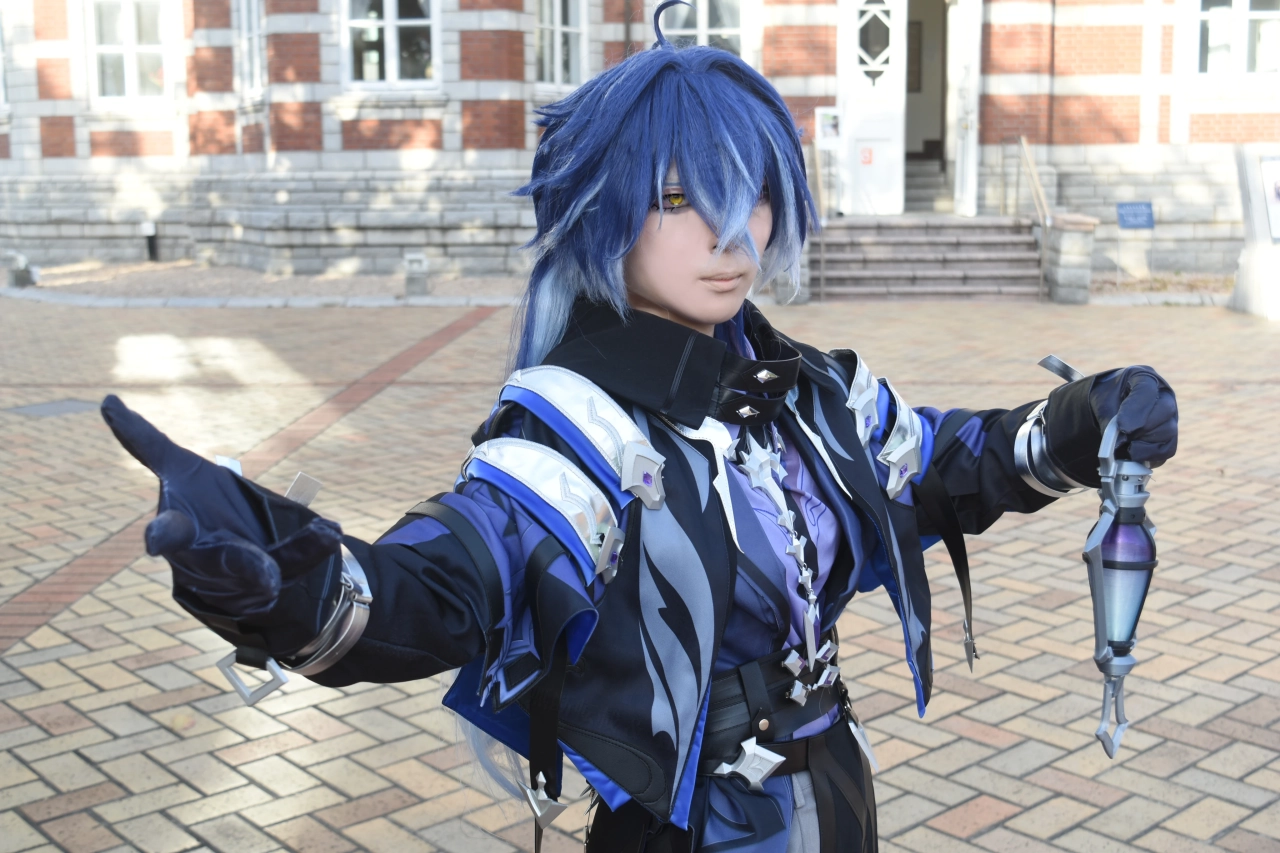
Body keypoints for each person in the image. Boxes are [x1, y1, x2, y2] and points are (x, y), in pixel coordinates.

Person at [98, 7, 1179, 851]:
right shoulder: (576, 427)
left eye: (750, 192)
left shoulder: (805, 387)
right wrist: (292, 584)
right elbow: (451, 580)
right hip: (689, 830)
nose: (730, 233)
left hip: (837, 802)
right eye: (676, 199)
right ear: (601, 212)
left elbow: (936, 468)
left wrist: (1080, 422)